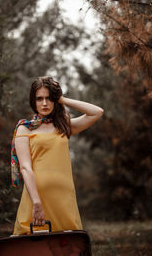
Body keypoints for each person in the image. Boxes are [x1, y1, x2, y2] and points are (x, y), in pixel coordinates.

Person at [11, 76, 104, 234]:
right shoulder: (25, 129)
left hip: (64, 198)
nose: (45, 103)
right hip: (37, 197)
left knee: (68, 246)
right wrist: (36, 203)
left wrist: (62, 99)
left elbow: (96, 112)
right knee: (34, 246)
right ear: (33, 101)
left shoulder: (63, 125)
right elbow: (25, 168)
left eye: (49, 98)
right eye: (39, 99)